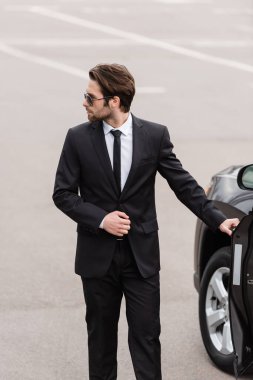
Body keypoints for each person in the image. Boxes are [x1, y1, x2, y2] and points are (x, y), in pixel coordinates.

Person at [52, 63, 239, 380]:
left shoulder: (153, 136)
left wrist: (218, 219)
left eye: (90, 97)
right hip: (97, 259)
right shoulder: (77, 139)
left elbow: (183, 185)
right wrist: (101, 220)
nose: (84, 102)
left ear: (114, 101)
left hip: (141, 259)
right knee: (100, 342)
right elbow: (63, 193)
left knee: (147, 339)